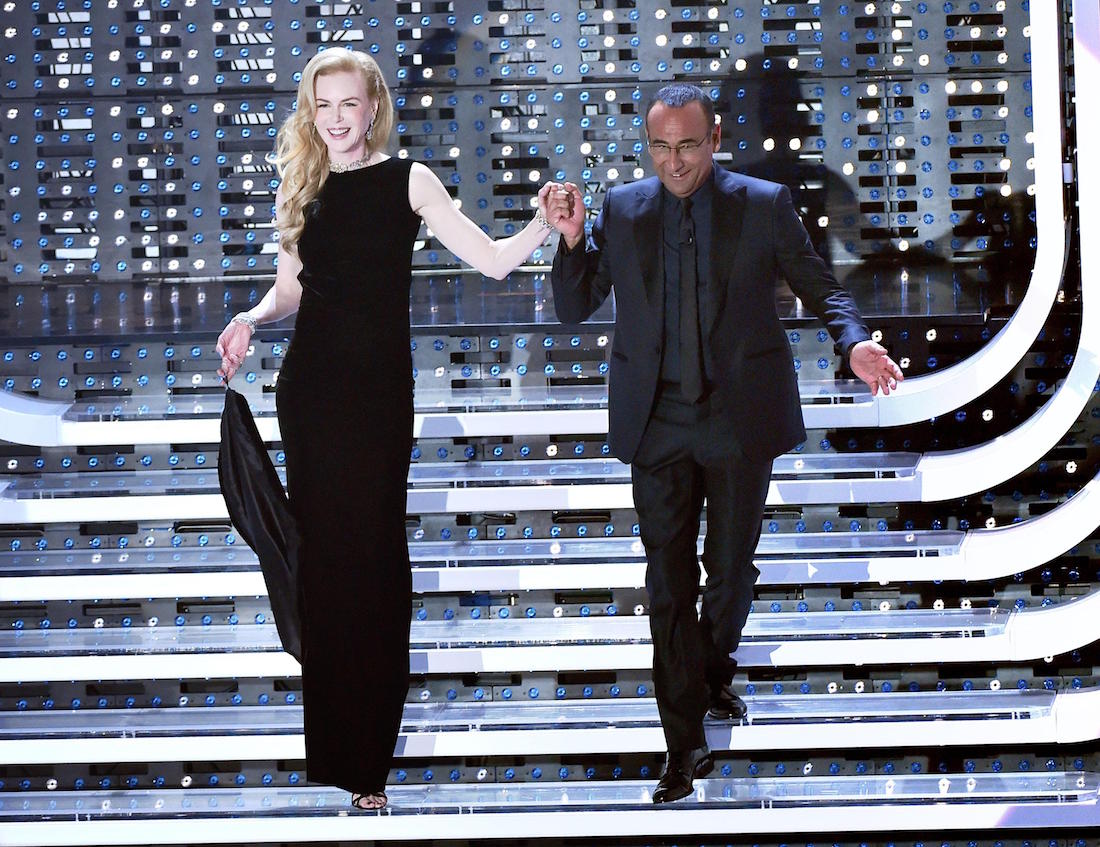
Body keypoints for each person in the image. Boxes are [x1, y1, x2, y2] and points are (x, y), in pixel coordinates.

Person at [215, 48, 557, 811]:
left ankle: (370, 758)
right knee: (328, 567)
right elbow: (289, 291)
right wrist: (249, 317)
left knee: (374, 565)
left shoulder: (410, 180)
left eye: (349, 103)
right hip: (310, 394)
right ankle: (341, 757)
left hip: (375, 401)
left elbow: (493, 261)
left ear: (374, 107)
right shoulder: (302, 185)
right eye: (323, 105)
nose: (336, 118)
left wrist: (542, 222)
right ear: (312, 111)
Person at [541, 82, 903, 804]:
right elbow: (575, 306)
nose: (674, 161)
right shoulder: (623, 208)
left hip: (739, 417)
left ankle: (709, 673)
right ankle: (683, 745)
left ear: (714, 140)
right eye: (660, 147)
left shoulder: (762, 204)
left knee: (730, 572)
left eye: (687, 145)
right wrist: (572, 240)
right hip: (657, 420)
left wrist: (854, 342)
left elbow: (820, 285)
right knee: (667, 585)